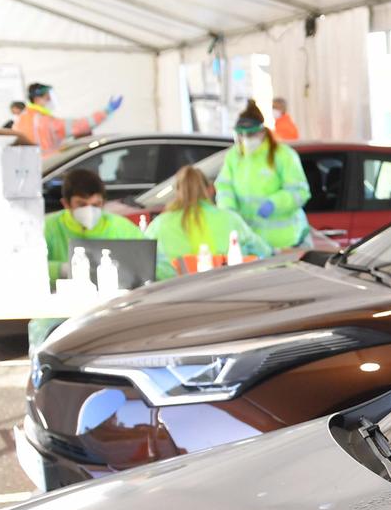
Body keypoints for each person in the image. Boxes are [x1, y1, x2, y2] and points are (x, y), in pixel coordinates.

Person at [35, 166, 143, 348]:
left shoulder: (120, 227)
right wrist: (60, 269)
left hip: (113, 312)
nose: (89, 210)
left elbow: (158, 263)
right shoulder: (50, 228)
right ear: (66, 204)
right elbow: (29, 267)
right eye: (82, 205)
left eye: (96, 205)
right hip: (60, 318)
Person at [147, 164, 271, 278]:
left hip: (175, 294)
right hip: (227, 291)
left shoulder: (159, 224)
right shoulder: (230, 219)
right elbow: (263, 252)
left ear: (177, 192)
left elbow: (144, 261)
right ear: (211, 189)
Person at [216, 101, 311, 250]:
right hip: (250, 242)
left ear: (261, 131)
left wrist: (274, 203)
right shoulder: (234, 157)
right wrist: (228, 208)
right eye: (241, 134)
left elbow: (300, 192)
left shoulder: (283, 156)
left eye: (250, 134)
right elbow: (224, 187)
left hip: (283, 243)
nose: (245, 138)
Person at [15, 81, 123, 156]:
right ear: (37, 99)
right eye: (48, 97)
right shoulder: (44, 121)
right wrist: (107, 110)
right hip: (47, 167)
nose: (50, 101)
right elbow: (80, 126)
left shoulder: (20, 119)